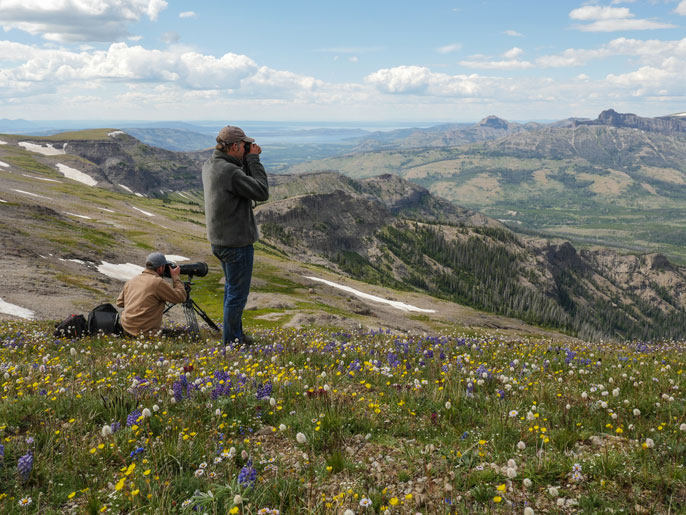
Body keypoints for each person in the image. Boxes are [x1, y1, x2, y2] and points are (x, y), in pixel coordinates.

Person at [202, 125, 269, 345]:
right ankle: (231, 342)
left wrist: (246, 160)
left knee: (232, 291)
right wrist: (254, 160)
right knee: (237, 296)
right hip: (236, 243)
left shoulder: (212, 165)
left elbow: (243, 186)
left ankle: (235, 335)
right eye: (244, 146)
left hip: (220, 240)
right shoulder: (229, 171)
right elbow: (261, 191)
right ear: (234, 146)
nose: (247, 149)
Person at [116, 252, 187, 337]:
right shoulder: (157, 282)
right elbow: (181, 297)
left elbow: (120, 303)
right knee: (185, 333)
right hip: (146, 333)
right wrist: (175, 277)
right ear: (160, 268)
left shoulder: (132, 280)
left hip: (126, 330)